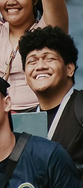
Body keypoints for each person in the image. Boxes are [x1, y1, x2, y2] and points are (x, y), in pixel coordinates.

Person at [20, 26, 83, 171]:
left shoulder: (80, 106)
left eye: (50, 58)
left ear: (69, 69)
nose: (40, 66)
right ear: (25, 76)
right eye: (32, 61)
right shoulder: (21, 123)